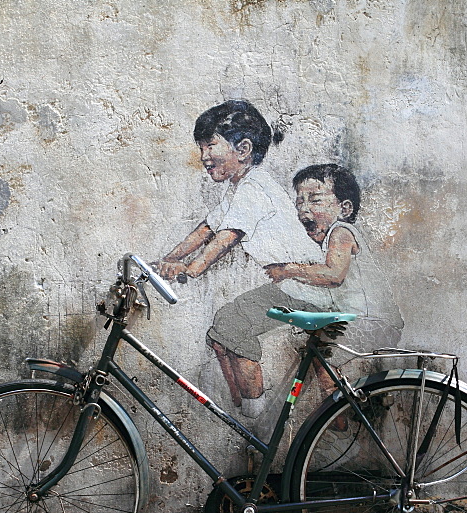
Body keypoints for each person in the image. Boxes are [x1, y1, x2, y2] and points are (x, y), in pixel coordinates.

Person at [156, 100, 322, 409]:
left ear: (243, 149)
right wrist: (164, 260)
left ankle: (254, 417)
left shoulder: (255, 187)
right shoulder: (239, 187)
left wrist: (190, 269)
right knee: (221, 331)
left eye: (210, 146)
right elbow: (206, 229)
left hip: (306, 283)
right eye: (201, 148)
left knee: (232, 327)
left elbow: (225, 238)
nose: (204, 157)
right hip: (291, 284)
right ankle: (240, 411)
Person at [265, 164, 404, 391]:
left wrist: (288, 270)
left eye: (315, 200)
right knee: (316, 353)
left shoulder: (341, 232)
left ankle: (338, 417)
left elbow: (333, 275)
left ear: (344, 208)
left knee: (323, 356)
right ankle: (339, 415)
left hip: (373, 322)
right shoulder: (329, 238)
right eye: (300, 201)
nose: (304, 209)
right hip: (361, 320)